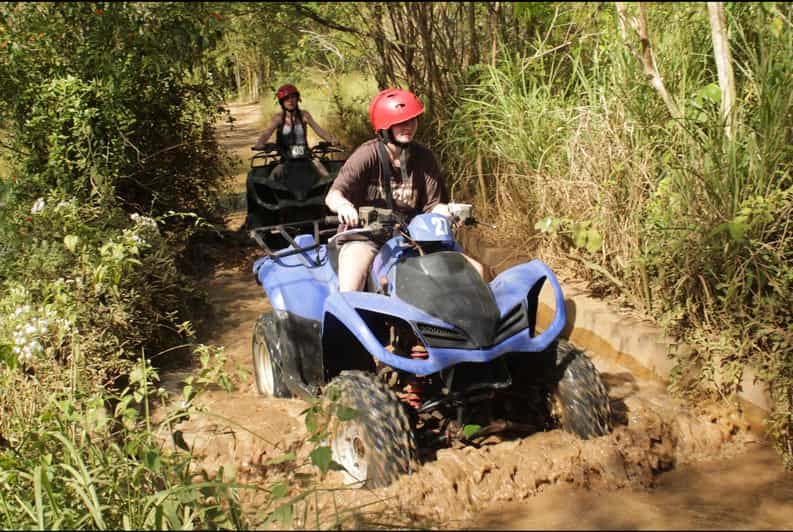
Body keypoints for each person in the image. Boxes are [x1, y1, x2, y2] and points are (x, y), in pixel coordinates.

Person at [325, 87, 486, 292]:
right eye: (400, 122)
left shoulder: (424, 158)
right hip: (367, 237)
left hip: (416, 236)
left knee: (476, 271)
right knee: (351, 286)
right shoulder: (367, 155)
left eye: (411, 120)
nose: (407, 126)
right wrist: (344, 206)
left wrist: (451, 212)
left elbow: (434, 206)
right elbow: (333, 195)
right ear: (385, 127)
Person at [252, 83, 339, 179]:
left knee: (325, 174)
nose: (290, 101)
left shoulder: (305, 115)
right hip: (285, 158)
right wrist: (260, 143)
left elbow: (319, 130)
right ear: (282, 102)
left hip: (306, 156)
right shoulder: (278, 118)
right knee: (272, 179)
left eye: (293, 97)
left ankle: (332, 191)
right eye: (286, 98)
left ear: (297, 99)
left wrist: (331, 139)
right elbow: (266, 133)